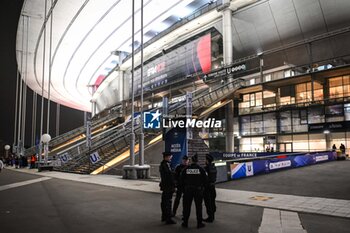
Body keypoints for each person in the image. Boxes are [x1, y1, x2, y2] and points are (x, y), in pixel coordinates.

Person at [180, 153, 207, 229]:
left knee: (186, 207)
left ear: (191, 161)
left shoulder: (186, 169)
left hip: (188, 190)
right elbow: (205, 180)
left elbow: (181, 179)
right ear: (197, 161)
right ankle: (199, 223)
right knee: (198, 207)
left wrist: (183, 189)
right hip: (198, 191)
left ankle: (185, 223)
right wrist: (202, 189)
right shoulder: (201, 169)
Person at [159, 151, 176, 225]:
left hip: (166, 186)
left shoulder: (164, 164)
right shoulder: (165, 165)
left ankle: (164, 216)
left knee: (164, 201)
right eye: (170, 157)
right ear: (166, 157)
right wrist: (174, 184)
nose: (171, 158)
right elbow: (169, 176)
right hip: (168, 186)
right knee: (167, 202)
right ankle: (168, 218)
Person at [203, 154, 217, 223]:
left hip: (207, 188)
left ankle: (210, 218)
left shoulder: (206, 168)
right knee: (212, 202)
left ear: (207, 160)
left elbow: (204, 178)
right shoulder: (214, 167)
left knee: (208, 203)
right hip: (213, 187)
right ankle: (212, 216)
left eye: (205, 159)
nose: (204, 161)